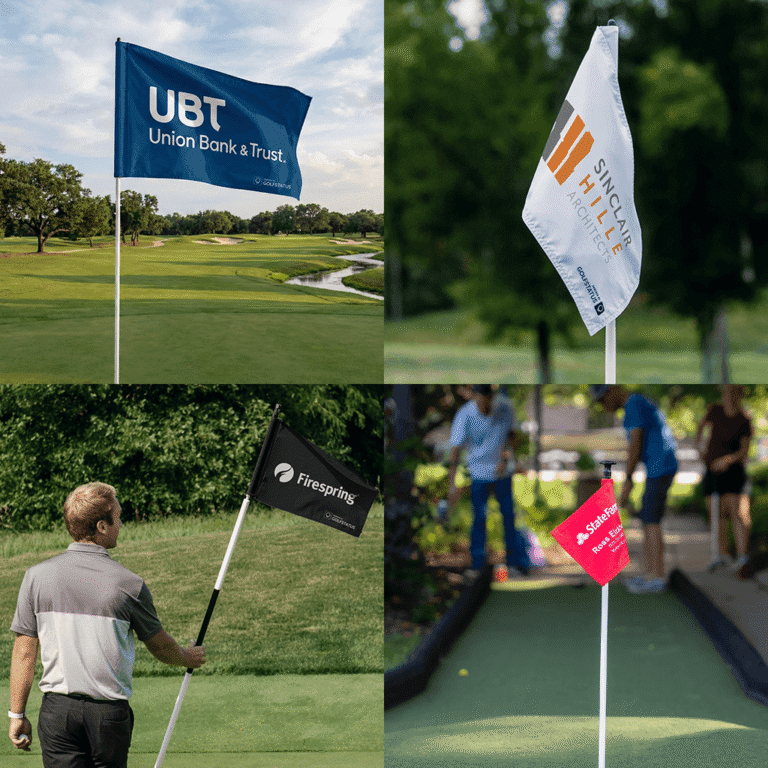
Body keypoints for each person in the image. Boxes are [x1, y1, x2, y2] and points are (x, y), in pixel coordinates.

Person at [8, 482, 206, 766]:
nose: (121, 524)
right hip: (108, 716)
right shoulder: (129, 584)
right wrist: (187, 657)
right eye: (118, 517)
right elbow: (160, 646)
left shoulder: (35, 577)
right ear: (102, 526)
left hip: (57, 713)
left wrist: (16, 715)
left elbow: (24, 653)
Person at [591, 386, 678, 593]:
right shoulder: (636, 402)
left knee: (651, 519)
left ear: (611, 391)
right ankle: (651, 573)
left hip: (661, 466)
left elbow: (635, 444)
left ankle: (657, 576)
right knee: (647, 517)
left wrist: (628, 479)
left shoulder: (633, 405)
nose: (604, 406)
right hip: (659, 466)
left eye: (602, 400)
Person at [447, 385, 532, 579]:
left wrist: (506, 458)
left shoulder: (505, 407)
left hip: (502, 473)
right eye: (481, 400)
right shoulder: (465, 414)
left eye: (488, 399)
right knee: (479, 518)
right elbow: (455, 449)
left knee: (509, 517)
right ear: (474, 397)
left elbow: (511, 435)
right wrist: (452, 484)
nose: (485, 404)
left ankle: (514, 563)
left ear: (492, 397)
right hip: (478, 474)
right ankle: (477, 566)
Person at [695, 385, 753, 571]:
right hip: (712, 469)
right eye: (726, 393)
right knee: (715, 513)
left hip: (733, 471)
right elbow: (701, 427)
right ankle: (722, 554)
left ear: (738, 395)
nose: (728, 396)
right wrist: (699, 448)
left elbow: (744, 449)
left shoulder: (744, 419)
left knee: (737, 512)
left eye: (731, 393)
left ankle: (742, 557)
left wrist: (727, 460)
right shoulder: (715, 411)